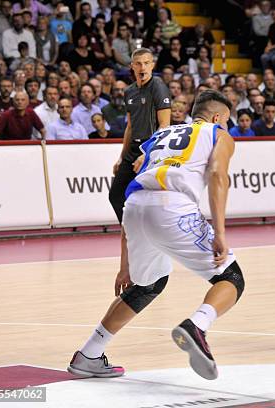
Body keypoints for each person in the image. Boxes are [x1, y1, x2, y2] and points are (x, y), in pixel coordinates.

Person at [68, 90, 244, 381]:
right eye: (226, 121)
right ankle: (197, 326)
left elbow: (133, 188)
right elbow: (217, 176)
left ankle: (89, 355)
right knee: (231, 278)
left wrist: (125, 265)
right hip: (173, 206)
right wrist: (220, 232)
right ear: (216, 118)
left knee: (147, 285)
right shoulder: (219, 134)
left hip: (135, 209)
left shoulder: (161, 137)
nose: (227, 127)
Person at [108, 48, 171, 285]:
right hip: (132, 151)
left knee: (144, 200)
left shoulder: (158, 87)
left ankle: (147, 243)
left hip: (151, 151)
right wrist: (121, 156)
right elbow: (130, 126)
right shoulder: (130, 92)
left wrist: (148, 155)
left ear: (152, 65)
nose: (142, 67)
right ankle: (135, 234)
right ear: (131, 67)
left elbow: (164, 126)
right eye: (138, 64)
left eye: (146, 63)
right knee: (115, 195)